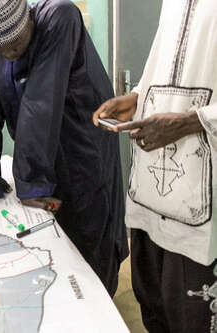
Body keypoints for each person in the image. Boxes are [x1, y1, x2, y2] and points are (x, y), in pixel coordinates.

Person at [0, 0, 128, 297]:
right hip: (36, 155)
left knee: (88, 238)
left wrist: (31, 183)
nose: (11, 54)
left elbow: (41, 101)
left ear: (29, 19)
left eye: (17, 43)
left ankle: (99, 311)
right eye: (2, 49)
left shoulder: (60, 17)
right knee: (50, 248)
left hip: (82, 152)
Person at [93, 1, 217, 331]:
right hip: (151, 199)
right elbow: (168, 62)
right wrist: (137, 96)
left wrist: (193, 121)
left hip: (202, 207)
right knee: (154, 310)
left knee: (193, 320)